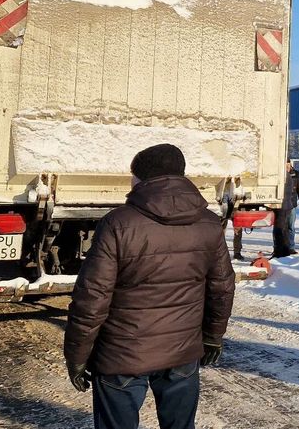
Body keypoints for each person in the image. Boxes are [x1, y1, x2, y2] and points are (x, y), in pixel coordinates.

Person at [65, 143, 235, 429]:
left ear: (141, 179)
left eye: (132, 176)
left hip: (121, 357)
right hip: (182, 353)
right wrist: (213, 336)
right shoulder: (209, 223)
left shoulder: (118, 224)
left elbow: (92, 299)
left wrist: (77, 355)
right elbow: (222, 288)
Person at [272, 160, 299, 258]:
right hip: (280, 205)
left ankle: (291, 247)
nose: (286, 167)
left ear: (290, 164)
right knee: (279, 227)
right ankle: (277, 247)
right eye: (284, 165)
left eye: (288, 165)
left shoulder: (296, 174)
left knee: (291, 226)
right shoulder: (278, 174)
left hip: (292, 204)